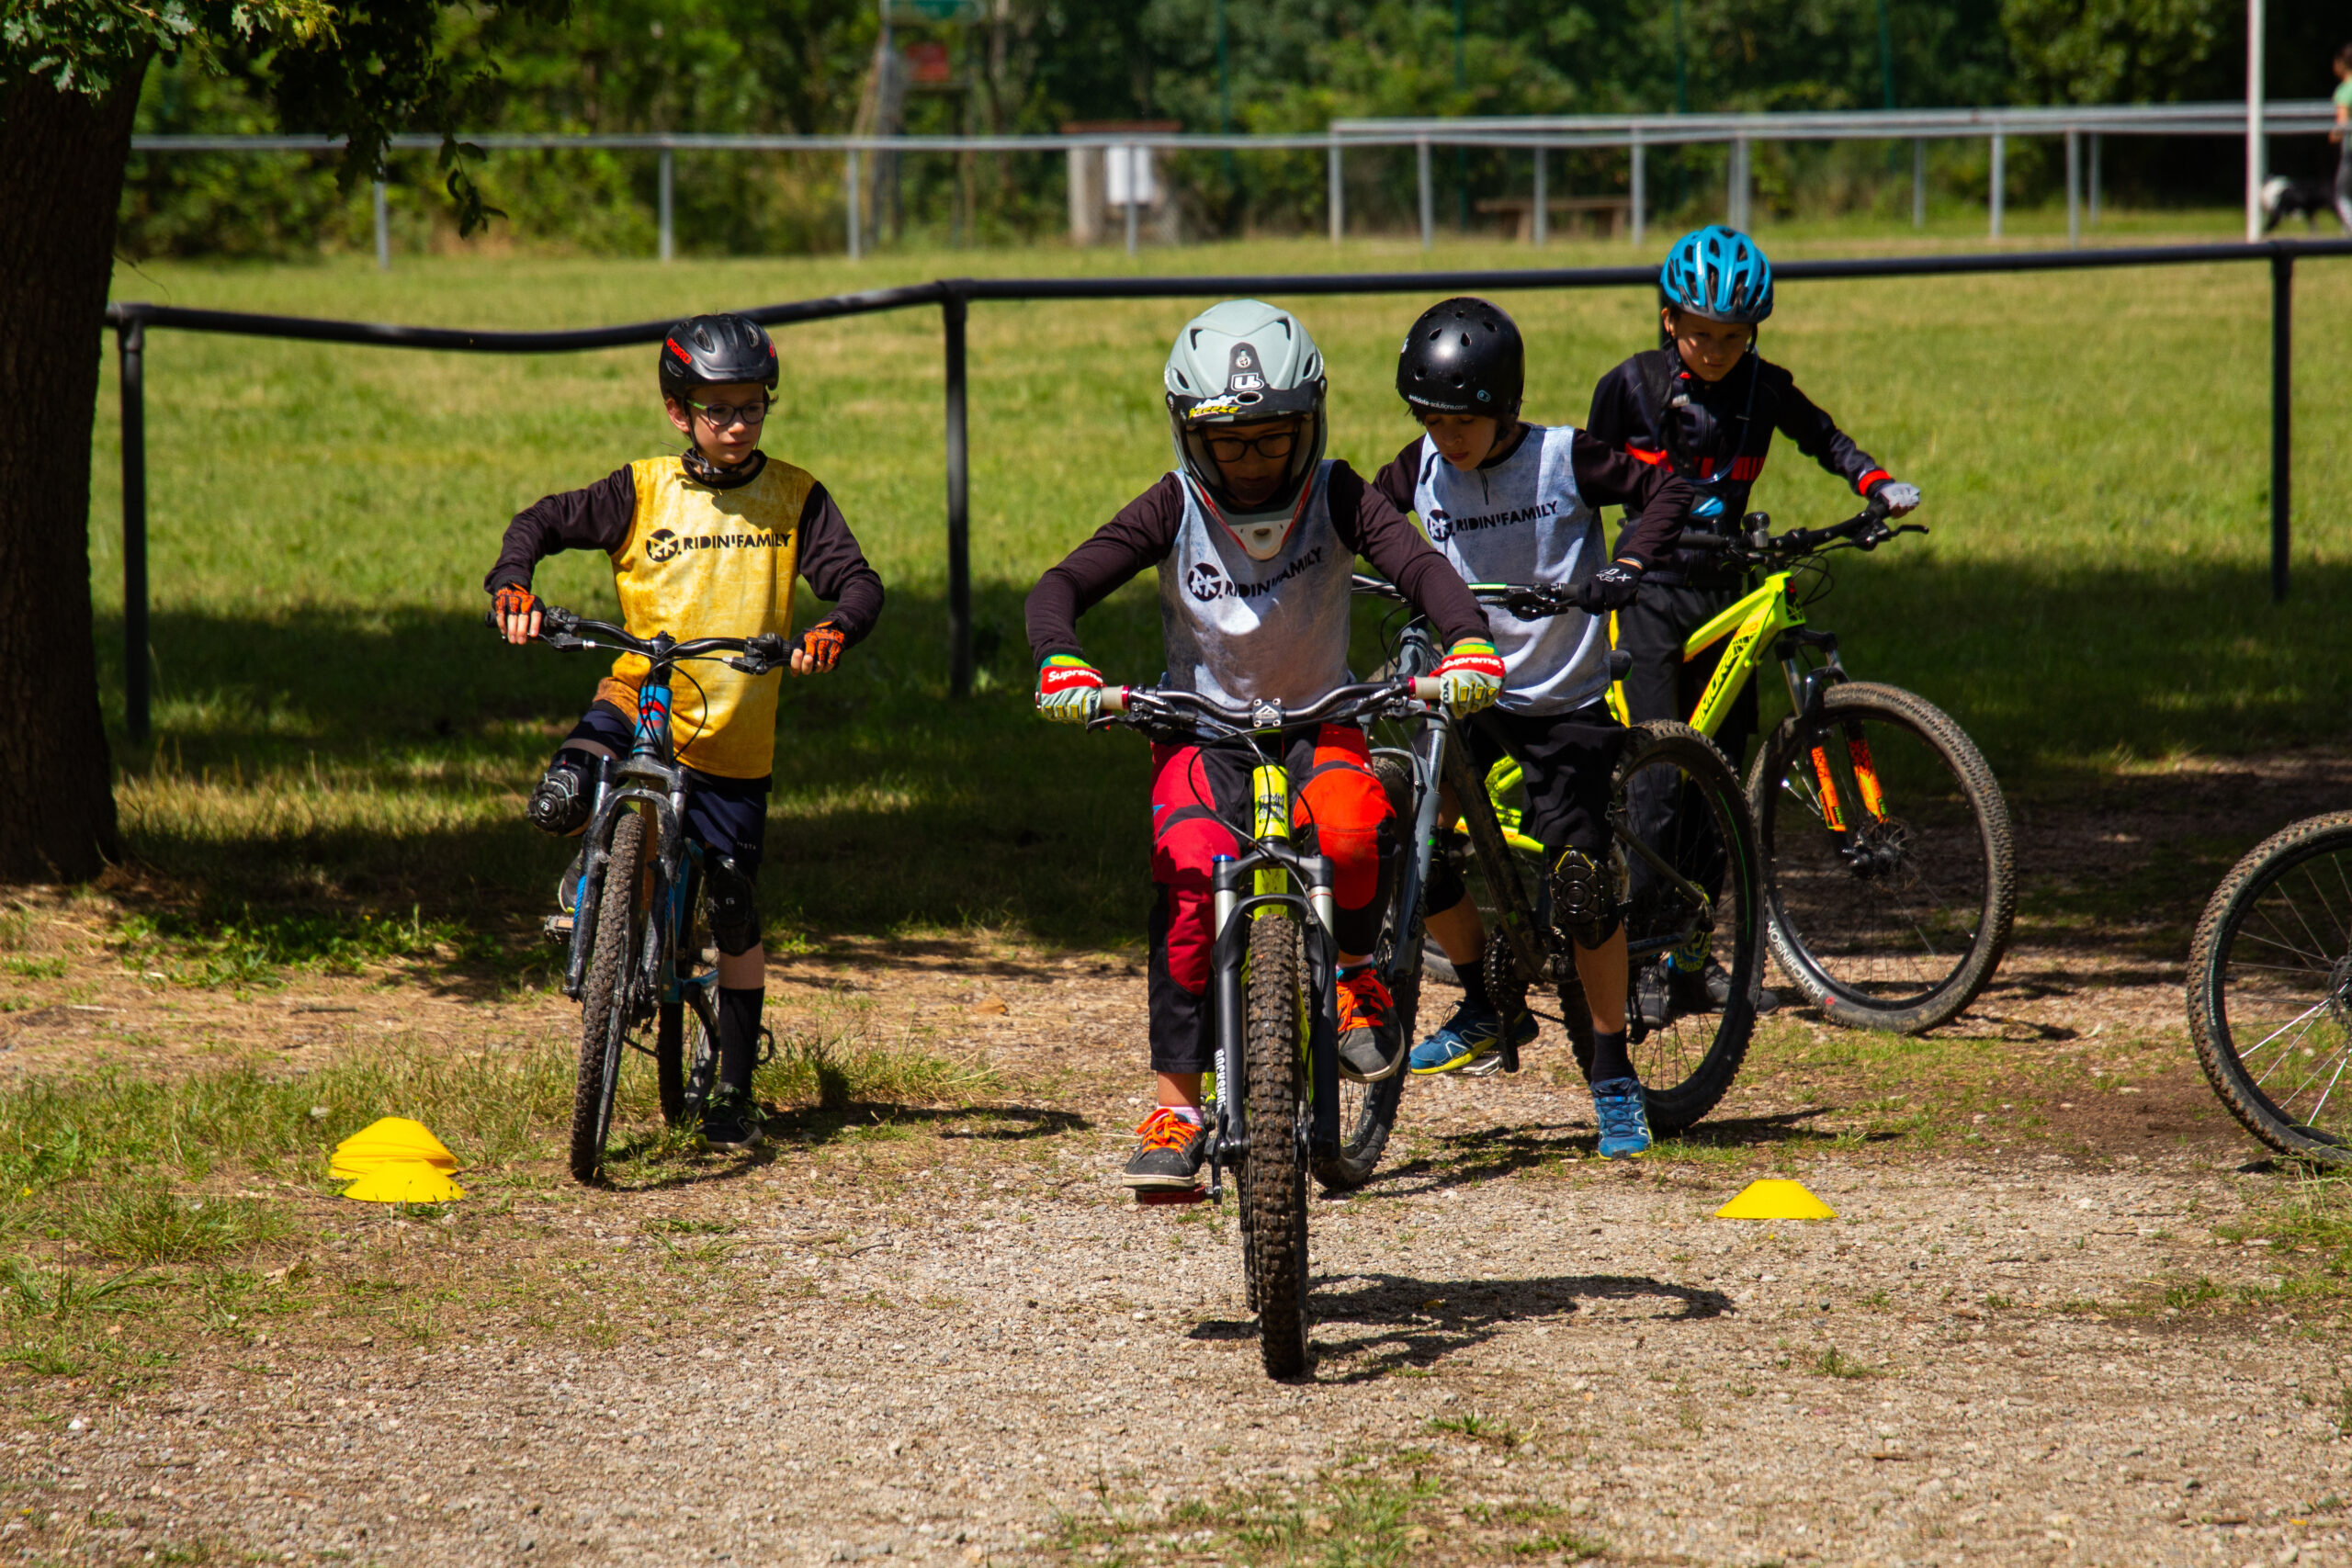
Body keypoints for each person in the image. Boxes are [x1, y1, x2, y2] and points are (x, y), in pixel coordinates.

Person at [1024, 299, 1504, 1194]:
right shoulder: (1171, 505)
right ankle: (1174, 1102)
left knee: (1357, 833)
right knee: (1185, 883)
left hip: (1322, 716)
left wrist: (1468, 638)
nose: (1251, 462)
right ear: (1187, 433)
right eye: (1227, 442)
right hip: (1202, 734)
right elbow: (1060, 584)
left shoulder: (1336, 494)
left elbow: (1421, 569)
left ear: (1309, 423)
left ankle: (1357, 972)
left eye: (1272, 438)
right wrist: (1060, 659)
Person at [484, 312, 885, 1153]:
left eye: (751, 408)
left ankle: (734, 1085)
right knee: (572, 778)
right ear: (678, 411)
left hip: (736, 733)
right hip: (644, 693)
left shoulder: (796, 497)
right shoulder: (640, 488)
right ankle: (591, 864)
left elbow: (856, 581)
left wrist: (831, 630)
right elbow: (539, 524)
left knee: (735, 906)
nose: (736, 424)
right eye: (717, 410)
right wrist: (513, 585)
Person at [1372, 298, 1690, 1159]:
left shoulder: (1561, 458)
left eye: (1463, 419)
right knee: (1406, 838)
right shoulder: (1421, 468)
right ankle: (1486, 1000)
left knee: (1582, 882)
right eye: (1430, 419)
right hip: (1466, 692)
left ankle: (1613, 1069)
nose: (1446, 437)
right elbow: (1357, 519)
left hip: (1560, 699)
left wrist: (1626, 563)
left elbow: (1668, 490)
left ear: (1504, 404)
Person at [1587, 225, 1917, 1024]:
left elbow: (1823, 437)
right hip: (1652, 598)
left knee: (1722, 790)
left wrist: (1875, 482)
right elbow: (1582, 481)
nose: (1715, 349)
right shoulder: (1628, 386)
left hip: (1727, 592)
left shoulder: (1765, 388)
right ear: (1670, 319)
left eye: (1733, 336)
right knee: (1660, 787)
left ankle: (1691, 956)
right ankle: (1638, 958)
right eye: (1700, 332)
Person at [2334, 42, 2352, 233]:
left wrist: (2335, 134)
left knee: (2342, 195)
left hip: (2351, 150)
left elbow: (2343, 122)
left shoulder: (2345, 90)